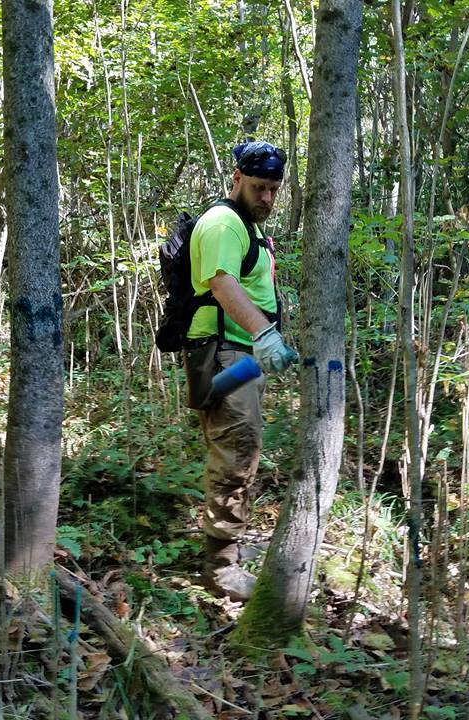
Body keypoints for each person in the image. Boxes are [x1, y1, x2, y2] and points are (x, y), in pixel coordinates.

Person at [183, 140, 299, 601]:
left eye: (273, 189)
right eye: (258, 187)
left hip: (239, 356)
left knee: (242, 445)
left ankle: (226, 545)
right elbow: (221, 282)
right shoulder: (223, 223)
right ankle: (220, 567)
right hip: (222, 355)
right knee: (235, 448)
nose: (266, 198)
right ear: (236, 178)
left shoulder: (247, 227)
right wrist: (263, 334)